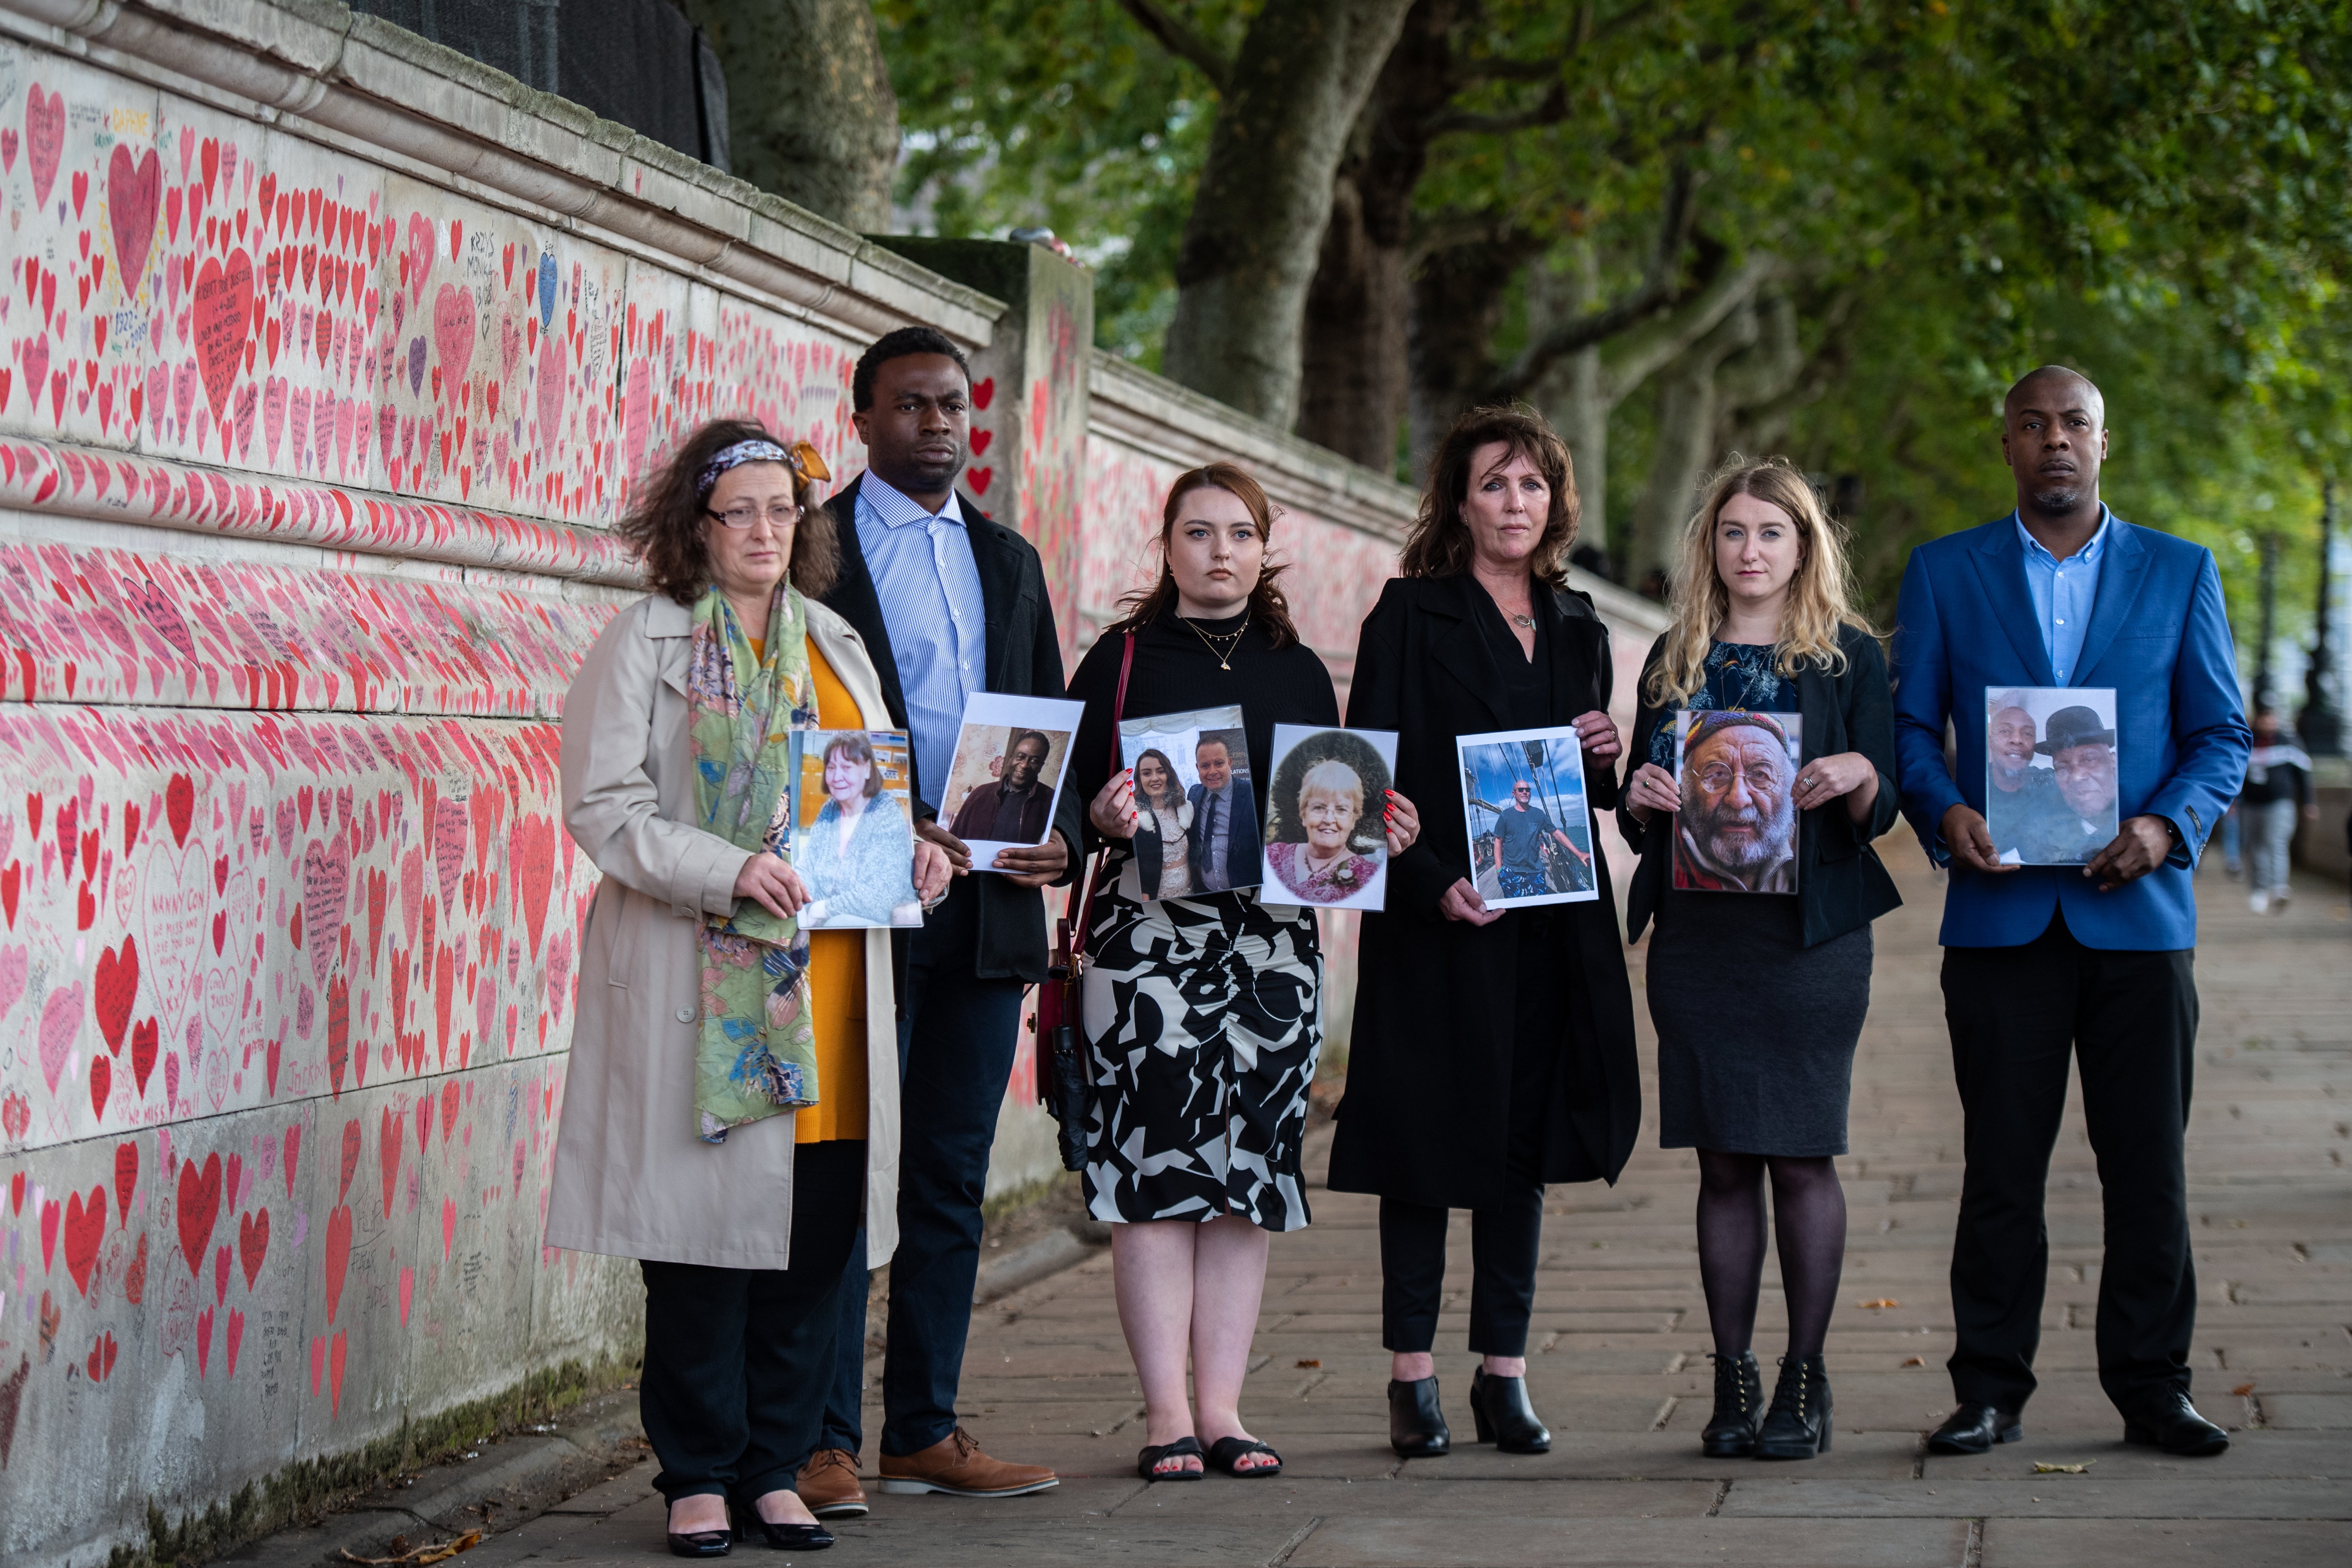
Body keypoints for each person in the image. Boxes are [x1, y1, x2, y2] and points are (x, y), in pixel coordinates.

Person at [547, 422, 949, 1555]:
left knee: (811, 1243)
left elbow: (865, 792)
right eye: (742, 510)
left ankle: (774, 1463)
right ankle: (696, 1469)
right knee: (697, 1250)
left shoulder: (834, 639)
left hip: (829, 983)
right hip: (704, 986)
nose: (766, 530)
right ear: (697, 524)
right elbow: (604, 806)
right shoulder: (647, 639)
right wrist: (727, 870)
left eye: (785, 509)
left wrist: (915, 846)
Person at [1892, 366, 2249, 1459]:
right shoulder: (1945, 573)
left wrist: (2166, 828)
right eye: (2034, 425)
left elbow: (2220, 736)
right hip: (2002, 923)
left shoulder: (2181, 571)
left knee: (2150, 1166)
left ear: (2106, 442)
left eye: (2075, 424)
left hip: (2138, 917)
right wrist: (1944, 807)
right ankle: (1988, 1388)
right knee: (2002, 1166)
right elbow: (1909, 728)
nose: (2056, 441)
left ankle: (2155, 1387)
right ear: (2005, 443)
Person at [1067, 461, 1422, 1481]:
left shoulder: (1299, 669)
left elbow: (1326, 818)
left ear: (1264, 548)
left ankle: (1225, 1409)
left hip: (1273, 955)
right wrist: (1097, 816)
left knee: (1247, 1180)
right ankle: (1165, 1414)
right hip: (1149, 952)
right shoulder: (1121, 658)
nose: (1219, 552)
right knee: (1151, 1177)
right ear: (1166, 545)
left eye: (1239, 534)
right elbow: (1062, 805)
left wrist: (1377, 830)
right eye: (1198, 533)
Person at [801, 327, 1079, 1513]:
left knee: (950, 1174)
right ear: (861, 417)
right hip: (861, 897)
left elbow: (1047, 725)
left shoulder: (1009, 562)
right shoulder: (813, 550)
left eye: (953, 406)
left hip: (986, 911)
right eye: (909, 404)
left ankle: (922, 1422)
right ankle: (820, 1439)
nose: (936, 424)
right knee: (841, 1168)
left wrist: (1059, 835)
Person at [1330, 405, 1641, 1461]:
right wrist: (1427, 884)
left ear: (1555, 504)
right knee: (1424, 1145)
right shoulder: (1408, 615)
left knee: (1522, 1149)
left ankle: (1502, 1373)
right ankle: (1410, 1380)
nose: (1516, 503)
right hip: (1439, 922)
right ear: (1460, 502)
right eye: (1495, 484)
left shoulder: (1580, 624)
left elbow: (1582, 784)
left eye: (1533, 485)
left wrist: (1604, 749)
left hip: (1550, 919)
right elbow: (1361, 773)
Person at [1619, 456, 1902, 1462]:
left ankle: (1804, 1378)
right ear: (1712, 546)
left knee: (1801, 1155)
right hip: (1699, 942)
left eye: (1770, 534)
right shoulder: (1674, 655)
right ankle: (1733, 1379)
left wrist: (1860, 770)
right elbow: (1635, 798)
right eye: (1734, 532)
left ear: (1803, 547)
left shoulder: (1848, 659)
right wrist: (1644, 795)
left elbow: (1885, 802)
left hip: (1809, 942)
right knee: (1725, 1160)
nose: (1750, 551)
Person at [1672, 712, 1802, 892]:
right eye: (1717, 775)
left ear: (1789, 785)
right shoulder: (1666, 846)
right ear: (1687, 785)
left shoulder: (1811, 850)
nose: (1738, 799)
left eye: (1760, 775)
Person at [800, 733, 919, 928]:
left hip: (874, 929)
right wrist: (802, 904)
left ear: (867, 769)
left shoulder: (887, 814)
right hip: (822, 919)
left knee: (838, 922)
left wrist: (822, 909)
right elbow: (806, 866)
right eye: (831, 768)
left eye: (847, 767)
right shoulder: (830, 810)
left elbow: (880, 898)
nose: (837, 777)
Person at [1263, 752, 1385, 902]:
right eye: (1319, 808)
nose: (1329, 819)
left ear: (1354, 819)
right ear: (1304, 814)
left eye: (1341, 810)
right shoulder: (1273, 856)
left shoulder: (1368, 877)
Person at [2017, 705, 2121, 864]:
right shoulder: (2042, 829)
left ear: (2113, 762)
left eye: (2090, 760)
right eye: (2062, 767)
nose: (2077, 777)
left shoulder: (2141, 819)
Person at [2238, 706, 2315, 912]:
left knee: (2277, 842)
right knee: (2255, 846)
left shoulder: (2289, 741)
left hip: (2280, 802)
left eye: (2272, 719)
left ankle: (2279, 887)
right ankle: (2259, 889)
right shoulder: (2247, 741)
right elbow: (2236, 775)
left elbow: (2304, 774)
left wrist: (2309, 801)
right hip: (2251, 804)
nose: (2269, 723)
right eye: (2264, 719)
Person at [1984, 698, 2062, 860]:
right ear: (1990, 741)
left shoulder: (2052, 781)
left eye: (2027, 733)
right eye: (2005, 731)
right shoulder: (1976, 785)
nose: (2017, 740)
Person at [946, 730, 1056, 843]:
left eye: (1034, 761)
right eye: (1020, 757)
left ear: (1041, 767)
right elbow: (953, 841)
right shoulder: (980, 794)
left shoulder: (1051, 800)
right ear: (1010, 759)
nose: (1024, 765)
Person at [1489, 778, 1584, 898]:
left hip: (1535, 871)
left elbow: (1556, 834)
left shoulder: (1538, 814)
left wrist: (1579, 854)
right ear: (1514, 794)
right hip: (1511, 872)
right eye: (1521, 790)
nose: (1525, 792)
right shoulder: (1505, 816)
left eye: (1528, 790)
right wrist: (1499, 870)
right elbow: (1498, 842)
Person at [1188, 734, 1260, 891]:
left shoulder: (1251, 795)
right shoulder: (1193, 794)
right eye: (1205, 766)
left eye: (1219, 763)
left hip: (1245, 895)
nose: (1213, 771)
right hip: (1204, 892)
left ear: (1230, 763)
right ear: (1198, 768)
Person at [1128, 746, 1197, 899]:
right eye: (1147, 773)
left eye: (1160, 771)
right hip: (1155, 901)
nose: (1155, 778)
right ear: (1139, 779)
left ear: (1169, 775)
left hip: (1190, 895)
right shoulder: (1134, 818)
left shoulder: (1186, 809)